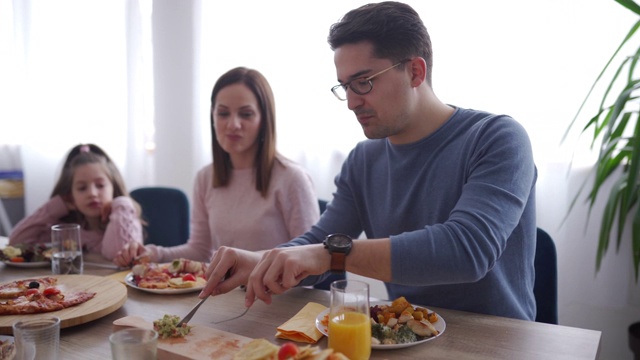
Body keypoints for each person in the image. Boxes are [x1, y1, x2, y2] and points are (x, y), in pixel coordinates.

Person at [199, 1, 537, 321]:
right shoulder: (363, 160)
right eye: (345, 87)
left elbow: (467, 251)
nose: (351, 103)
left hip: (498, 341)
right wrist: (258, 261)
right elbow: (320, 238)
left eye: (364, 82)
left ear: (415, 72)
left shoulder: (498, 138)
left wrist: (328, 254)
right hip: (404, 334)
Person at [113, 67, 320, 266]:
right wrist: (153, 253)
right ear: (213, 116)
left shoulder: (292, 178)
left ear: (264, 120)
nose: (233, 124)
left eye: (246, 114)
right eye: (223, 113)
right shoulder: (205, 178)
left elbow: (310, 261)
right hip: (226, 295)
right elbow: (201, 251)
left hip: (280, 298)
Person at [9, 143, 144, 261]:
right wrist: (55, 206)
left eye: (100, 185)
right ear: (70, 195)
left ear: (113, 187)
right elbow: (16, 242)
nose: (92, 193)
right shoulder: (66, 230)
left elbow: (118, 254)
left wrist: (121, 203)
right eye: (82, 188)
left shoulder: (126, 220)